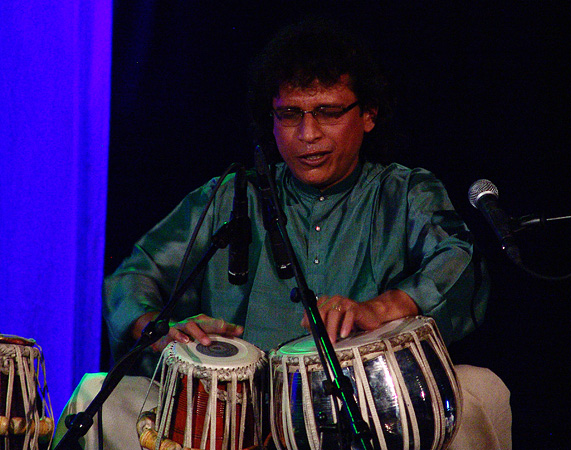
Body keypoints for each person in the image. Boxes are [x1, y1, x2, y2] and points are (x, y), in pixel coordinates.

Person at [53, 19, 511, 450]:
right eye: (290, 115)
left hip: (368, 409)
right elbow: (134, 277)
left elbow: (460, 259)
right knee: (99, 397)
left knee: (481, 390)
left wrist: (385, 306)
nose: (307, 134)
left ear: (368, 115)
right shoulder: (230, 198)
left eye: (328, 113)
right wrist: (160, 332)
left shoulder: (405, 192)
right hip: (227, 413)